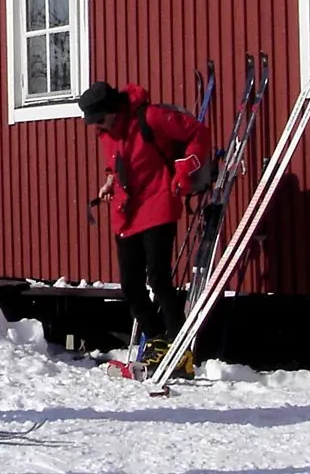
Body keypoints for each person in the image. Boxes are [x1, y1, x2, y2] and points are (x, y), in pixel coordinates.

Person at [79, 81, 214, 359]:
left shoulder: (149, 117)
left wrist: (184, 171)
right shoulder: (107, 133)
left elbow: (197, 133)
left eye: (100, 119)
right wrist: (108, 181)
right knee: (130, 285)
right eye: (94, 122)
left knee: (159, 278)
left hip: (158, 201)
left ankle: (180, 343)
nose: (98, 126)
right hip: (126, 212)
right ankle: (157, 341)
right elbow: (115, 162)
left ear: (114, 110)